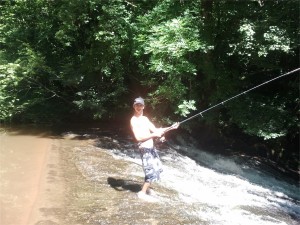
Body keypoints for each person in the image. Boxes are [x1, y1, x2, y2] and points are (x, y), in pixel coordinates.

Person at [130, 97, 179, 202]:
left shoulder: (145, 119)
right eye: (136, 105)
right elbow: (138, 138)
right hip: (144, 148)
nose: (138, 107)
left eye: (140, 105)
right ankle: (142, 193)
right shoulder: (134, 120)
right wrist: (153, 135)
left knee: (156, 169)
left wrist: (171, 127)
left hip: (151, 147)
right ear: (134, 107)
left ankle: (147, 189)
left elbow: (156, 130)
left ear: (143, 106)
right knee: (150, 171)